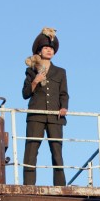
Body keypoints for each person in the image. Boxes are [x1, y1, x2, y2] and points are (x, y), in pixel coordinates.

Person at [21, 27, 69, 186]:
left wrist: (64, 107)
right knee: (31, 151)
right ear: (39, 51)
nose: (49, 51)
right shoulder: (31, 71)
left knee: (57, 152)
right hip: (36, 115)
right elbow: (25, 93)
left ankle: (60, 185)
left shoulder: (60, 72)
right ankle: (28, 185)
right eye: (46, 48)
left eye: (51, 49)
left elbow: (64, 93)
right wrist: (35, 80)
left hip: (55, 116)